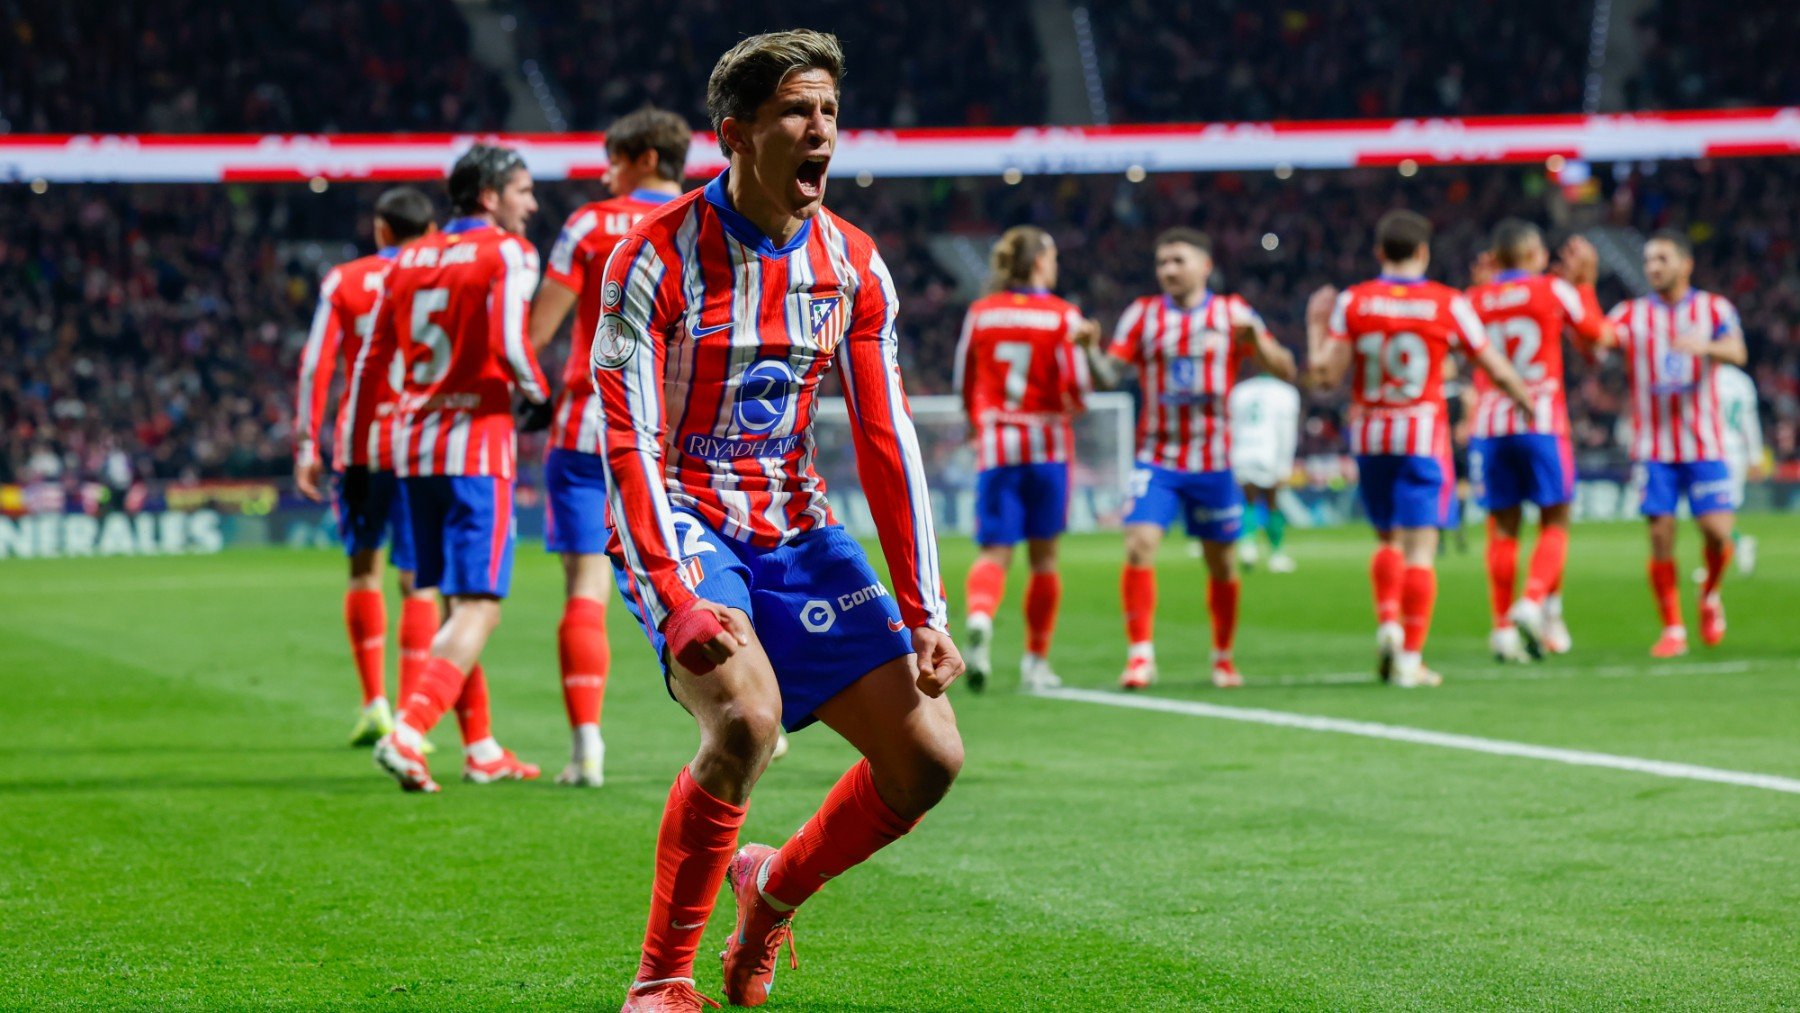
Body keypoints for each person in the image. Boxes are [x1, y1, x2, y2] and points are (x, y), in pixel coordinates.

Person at [592, 31, 963, 1012]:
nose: (822, 133)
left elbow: (887, 440)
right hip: (677, 513)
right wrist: (673, 594)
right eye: (799, 113)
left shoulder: (855, 265)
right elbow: (625, 440)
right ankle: (663, 979)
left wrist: (925, 604)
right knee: (745, 717)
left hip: (793, 522)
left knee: (929, 760)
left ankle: (769, 893)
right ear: (734, 134)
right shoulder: (650, 259)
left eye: (831, 113)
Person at [364, 144, 552, 792]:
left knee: (452, 603)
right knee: (480, 606)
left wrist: (357, 437)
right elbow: (507, 340)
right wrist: (538, 391)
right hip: (476, 445)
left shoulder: (407, 257)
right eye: (524, 190)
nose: (532, 203)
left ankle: (480, 747)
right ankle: (409, 731)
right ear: (491, 196)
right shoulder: (508, 251)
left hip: (414, 446)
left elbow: (375, 358)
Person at [528, 106, 692, 787]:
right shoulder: (706, 219)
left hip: (588, 424)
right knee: (686, 584)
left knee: (585, 590)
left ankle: (586, 750)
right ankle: (743, 714)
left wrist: (522, 385)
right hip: (681, 431)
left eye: (614, 160)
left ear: (645, 156)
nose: (605, 174)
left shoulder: (588, 224)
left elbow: (537, 328)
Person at [1307, 210, 1533, 687]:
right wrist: (1525, 400)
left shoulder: (1355, 301)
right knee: (1421, 551)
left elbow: (1325, 377)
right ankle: (1410, 658)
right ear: (1424, 252)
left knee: (1387, 540)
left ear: (1379, 253)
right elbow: (1493, 364)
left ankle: (1388, 620)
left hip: (1369, 436)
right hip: (1421, 437)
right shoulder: (1446, 303)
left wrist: (1314, 327)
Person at [1080, 228, 1296, 691]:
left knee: (1222, 564)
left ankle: (1223, 658)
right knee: (1138, 545)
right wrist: (1089, 350)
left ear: (1204, 266)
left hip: (1214, 462)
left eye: (1178, 261)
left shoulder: (1233, 312)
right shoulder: (1142, 315)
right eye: (1162, 263)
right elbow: (1108, 375)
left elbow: (1286, 370)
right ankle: (1140, 657)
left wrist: (1256, 342)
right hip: (1157, 458)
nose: (1168, 271)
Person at [293, 187, 441, 746]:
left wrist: (309, 443)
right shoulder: (438, 276)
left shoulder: (344, 281)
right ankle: (410, 716)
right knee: (419, 584)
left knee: (362, 572)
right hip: (421, 444)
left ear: (381, 230)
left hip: (360, 448)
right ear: (428, 232)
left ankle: (373, 703)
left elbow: (316, 365)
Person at [953, 226, 1095, 692]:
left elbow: (964, 380)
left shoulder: (982, 313)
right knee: (1045, 558)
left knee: (994, 551)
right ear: (1039, 262)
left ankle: (979, 616)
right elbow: (1078, 390)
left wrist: (981, 427)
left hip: (998, 445)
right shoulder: (1064, 316)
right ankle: (1036, 662)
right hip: (1048, 445)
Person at [1464, 221, 1610, 661]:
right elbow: (1597, 336)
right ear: (1533, 255)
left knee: (1503, 528)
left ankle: (1502, 628)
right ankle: (1533, 602)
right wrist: (1585, 285)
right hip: (1541, 417)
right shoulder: (1552, 289)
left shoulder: (1472, 299)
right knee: (1555, 520)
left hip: (1490, 423)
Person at [1599, 230, 1746, 656]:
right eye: (1648, 261)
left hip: (1704, 443)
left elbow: (1738, 352)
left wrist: (1707, 346)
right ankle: (1673, 629)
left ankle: (1709, 595)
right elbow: (1600, 337)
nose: (1652, 268)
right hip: (1653, 447)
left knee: (1717, 533)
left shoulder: (1714, 308)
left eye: (1661, 259)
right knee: (1661, 536)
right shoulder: (1631, 313)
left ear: (1685, 264)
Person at [1228, 371, 1301, 573]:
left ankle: (1248, 544)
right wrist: (1285, 464)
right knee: (1272, 503)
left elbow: (1231, 423)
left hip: (1242, 450)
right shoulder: (1286, 392)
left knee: (1248, 501)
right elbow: (1286, 430)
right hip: (1269, 451)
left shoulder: (1240, 390)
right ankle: (1276, 554)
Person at [1710, 362, 1763, 576]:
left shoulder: (1706, 376)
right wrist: (1755, 456)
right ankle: (1731, 552)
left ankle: (1734, 549)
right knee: (1723, 510)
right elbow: (1750, 422)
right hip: (1737, 452)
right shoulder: (1743, 381)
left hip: (1713, 451)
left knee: (1714, 512)